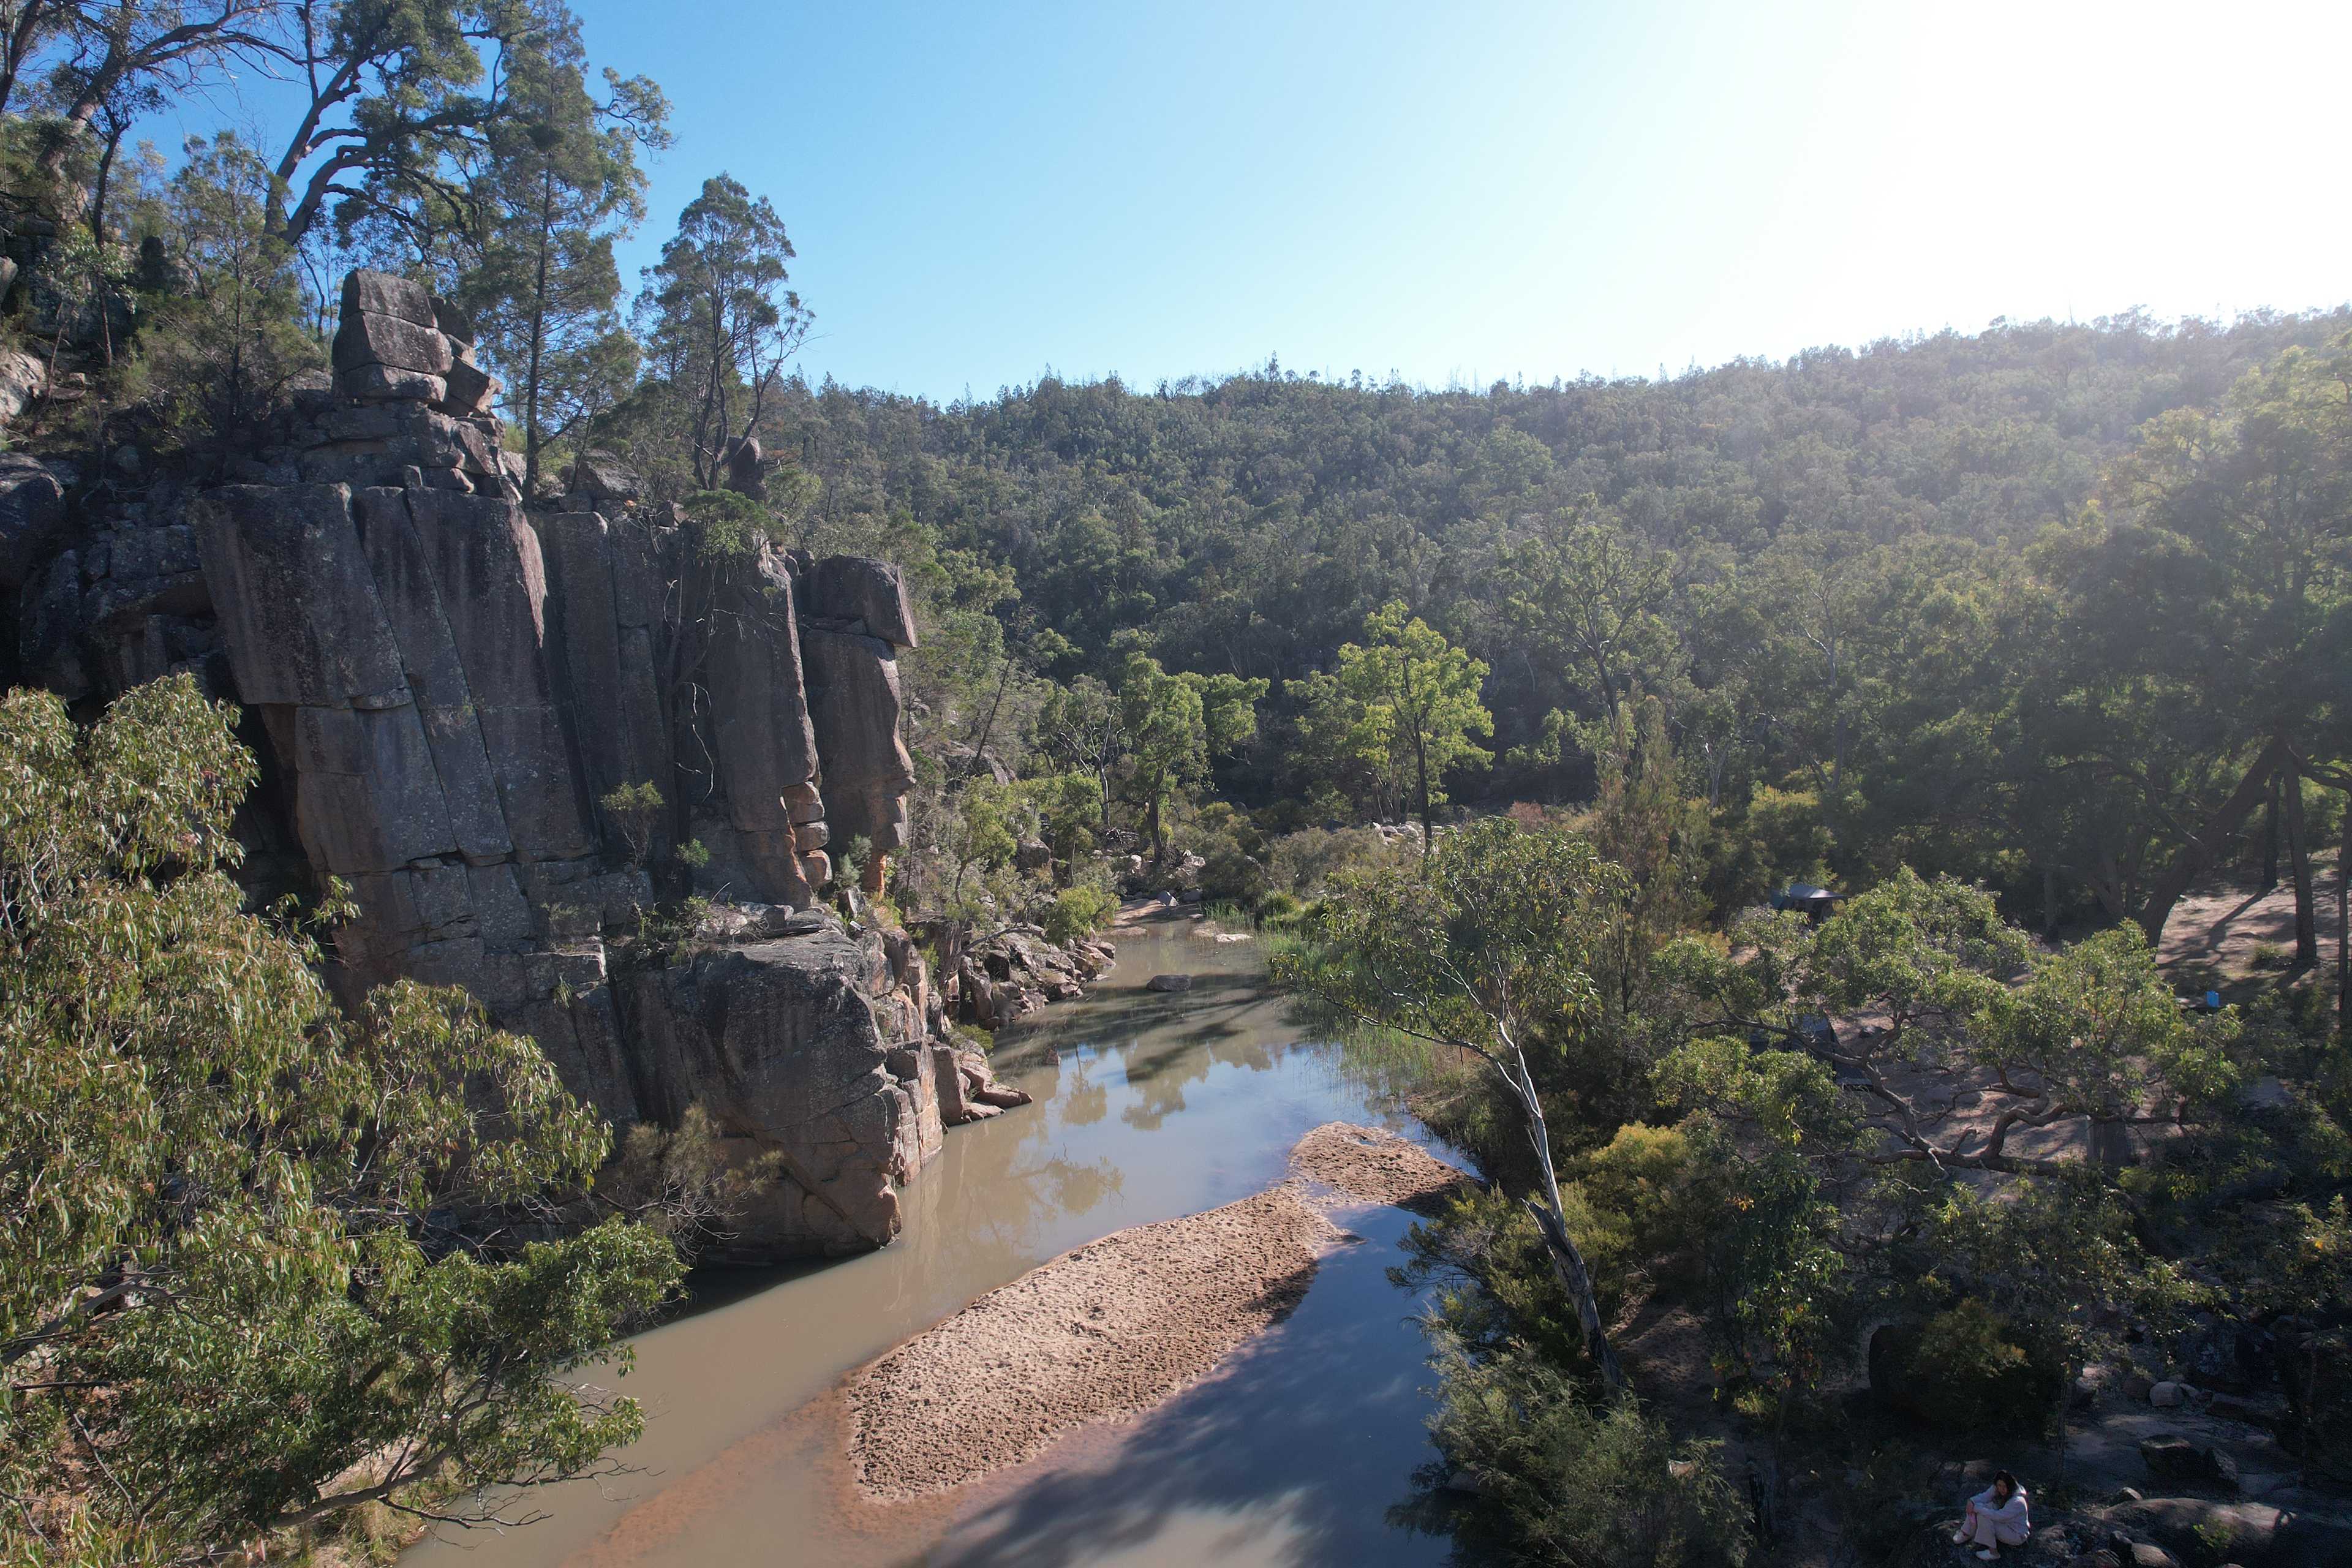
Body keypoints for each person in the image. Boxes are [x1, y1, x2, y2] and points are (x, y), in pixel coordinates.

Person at [1952, 1470, 2029, 1561]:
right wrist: (1971, 1501)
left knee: (1983, 1516)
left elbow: (1999, 1517)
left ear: (2010, 1486)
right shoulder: (1996, 1488)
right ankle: (1967, 1532)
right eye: (1999, 1486)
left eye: (2005, 1486)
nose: (2002, 1489)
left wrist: (1977, 1508)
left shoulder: (2018, 1502)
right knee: (1982, 1506)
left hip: (2015, 1534)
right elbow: (1985, 1497)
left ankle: (1993, 1553)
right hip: (2005, 1524)